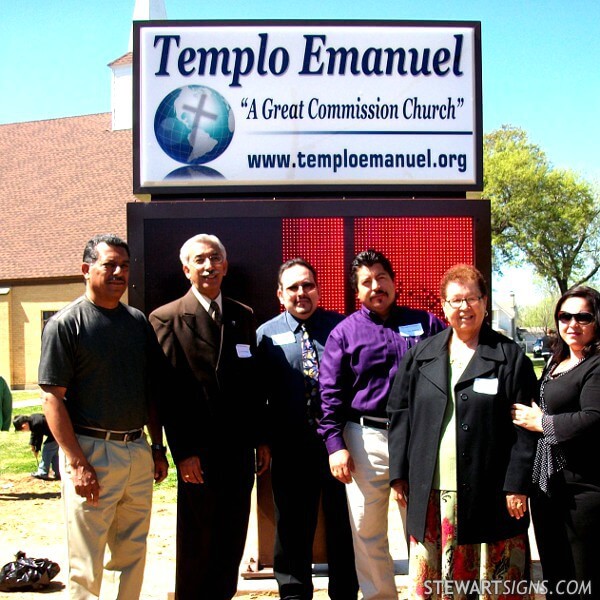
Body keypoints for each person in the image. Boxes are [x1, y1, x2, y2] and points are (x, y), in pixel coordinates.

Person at [388, 264, 538, 598]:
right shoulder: (420, 356)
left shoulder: (510, 358)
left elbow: (526, 430)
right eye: (455, 300)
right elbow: (400, 414)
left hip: (492, 495)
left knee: (494, 586)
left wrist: (517, 484)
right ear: (443, 306)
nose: (464, 307)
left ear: (485, 303)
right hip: (432, 496)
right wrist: (398, 474)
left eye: (472, 298)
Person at [38, 233, 169, 600]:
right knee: (87, 561)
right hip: (91, 451)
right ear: (85, 269)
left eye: (124, 266)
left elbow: (151, 391)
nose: (118, 272)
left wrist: (157, 447)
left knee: (132, 553)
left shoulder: (137, 322)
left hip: (137, 450)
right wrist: (77, 462)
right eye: (108, 264)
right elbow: (52, 399)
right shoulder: (66, 324)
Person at [318, 249, 446, 600]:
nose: (376, 287)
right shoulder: (343, 334)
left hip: (419, 439)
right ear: (357, 292)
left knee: (421, 525)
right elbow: (329, 395)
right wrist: (335, 445)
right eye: (366, 282)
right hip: (365, 439)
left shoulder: (428, 324)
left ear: (394, 281)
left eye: (382, 278)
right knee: (367, 529)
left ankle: (426, 593)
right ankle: (380, 596)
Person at [149, 233, 270, 600]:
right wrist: (182, 451)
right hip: (197, 457)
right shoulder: (167, 319)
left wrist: (260, 438)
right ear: (186, 269)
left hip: (238, 454)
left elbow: (253, 387)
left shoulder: (242, 315)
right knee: (197, 543)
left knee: (231, 540)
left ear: (226, 265)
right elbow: (166, 394)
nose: (208, 266)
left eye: (215, 258)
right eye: (199, 260)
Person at [256, 258, 359, 600]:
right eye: (293, 288)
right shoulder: (265, 335)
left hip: (339, 446)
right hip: (290, 446)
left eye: (308, 285)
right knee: (291, 526)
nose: (302, 293)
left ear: (318, 289)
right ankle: (294, 592)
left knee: (342, 523)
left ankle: (345, 590)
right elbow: (259, 395)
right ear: (280, 295)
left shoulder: (340, 327)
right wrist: (263, 441)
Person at [513, 285, 600, 598]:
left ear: (597, 321)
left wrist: (542, 423)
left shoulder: (597, 364)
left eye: (583, 317)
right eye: (565, 316)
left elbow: (593, 417)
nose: (572, 323)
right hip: (548, 487)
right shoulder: (555, 361)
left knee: (582, 579)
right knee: (556, 577)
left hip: (584, 491)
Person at [13, 413, 60, 480]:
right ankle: (58, 472)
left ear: (24, 425)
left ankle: (42, 472)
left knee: (47, 451)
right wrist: (32, 444)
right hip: (54, 433)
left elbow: (39, 438)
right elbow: (34, 433)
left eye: (22, 430)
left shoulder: (36, 423)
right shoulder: (32, 419)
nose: (23, 431)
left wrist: (36, 450)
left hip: (57, 433)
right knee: (53, 454)